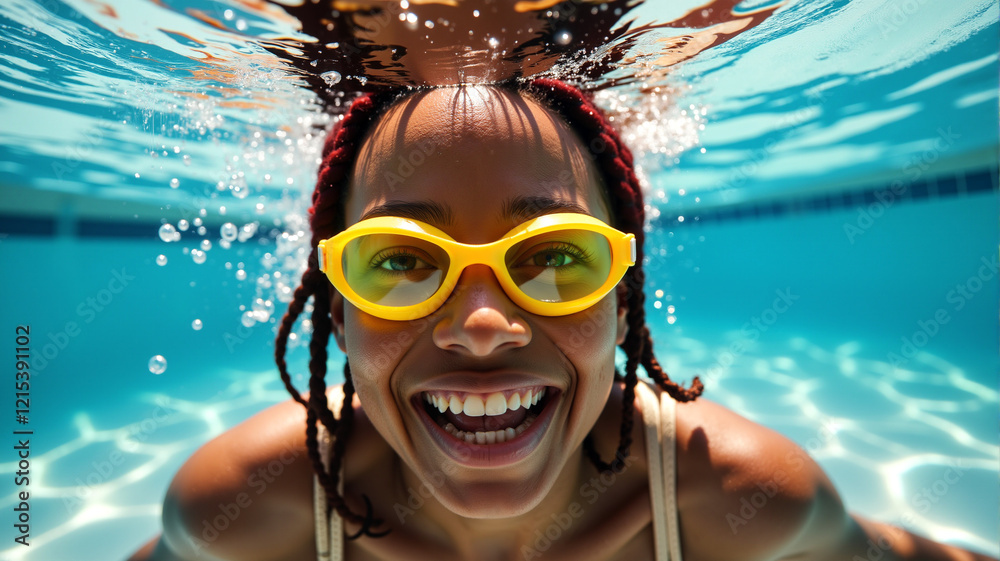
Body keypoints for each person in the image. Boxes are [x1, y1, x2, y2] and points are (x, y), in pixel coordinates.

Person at [129, 79, 995, 561]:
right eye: (399, 261)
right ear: (338, 310)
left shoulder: (737, 498)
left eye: (552, 257)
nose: (480, 324)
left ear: (621, 300)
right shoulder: (242, 509)